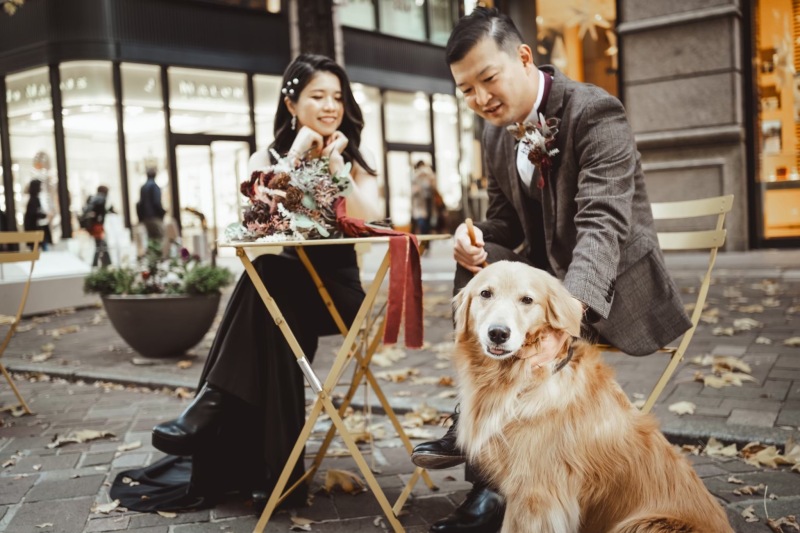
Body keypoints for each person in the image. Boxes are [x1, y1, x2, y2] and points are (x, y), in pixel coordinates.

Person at [410, 8, 693, 533]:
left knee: (527, 314)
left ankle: (486, 460)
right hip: (537, 286)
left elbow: (603, 223)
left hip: (604, 287)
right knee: (479, 276)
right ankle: (480, 440)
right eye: (465, 90)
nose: (480, 98)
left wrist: (566, 316)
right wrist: (475, 246)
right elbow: (500, 223)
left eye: (488, 79)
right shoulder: (496, 136)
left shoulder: (595, 111)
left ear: (523, 57)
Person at [110, 54, 381, 512]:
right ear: (292, 102)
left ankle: (212, 403)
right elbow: (259, 224)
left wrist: (336, 168)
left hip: (336, 294)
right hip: (286, 294)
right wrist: (297, 153)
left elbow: (369, 220)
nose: (331, 105)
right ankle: (275, 479)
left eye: (338, 96)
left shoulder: (353, 154)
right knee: (272, 287)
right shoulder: (267, 157)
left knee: (271, 275)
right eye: (318, 95)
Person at [82, 185, 113, 267]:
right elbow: (101, 213)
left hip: (92, 225)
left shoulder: (93, 198)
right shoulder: (101, 199)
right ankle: (99, 262)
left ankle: (106, 261)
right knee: (100, 244)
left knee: (100, 244)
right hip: (97, 225)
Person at [137, 167, 166, 242]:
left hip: (146, 218)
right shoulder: (154, 187)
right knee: (159, 240)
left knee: (151, 240)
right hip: (154, 217)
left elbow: (140, 204)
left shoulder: (143, 187)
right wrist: (162, 212)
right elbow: (156, 202)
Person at [23, 179, 52, 250]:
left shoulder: (34, 199)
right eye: (40, 186)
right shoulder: (34, 200)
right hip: (35, 230)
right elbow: (34, 214)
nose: (41, 188)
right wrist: (44, 215)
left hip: (35, 229)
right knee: (39, 248)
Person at [411, 160, 435, 234]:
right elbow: (413, 193)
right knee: (422, 224)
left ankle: (427, 243)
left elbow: (433, 187)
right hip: (419, 206)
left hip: (429, 205)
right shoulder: (415, 178)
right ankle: (423, 242)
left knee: (428, 225)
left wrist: (428, 173)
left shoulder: (428, 177)